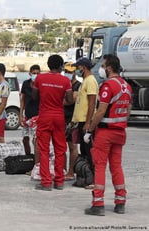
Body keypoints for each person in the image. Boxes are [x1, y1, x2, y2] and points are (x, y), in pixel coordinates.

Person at [84, 54, 132, 216]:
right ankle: (120, 202)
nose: (102, 69)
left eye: (103, 66)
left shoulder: (108, 86)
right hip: (120, 132)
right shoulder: (127, 86)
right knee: (116, 166)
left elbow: (101, 111)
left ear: (109, 68)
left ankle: (98, 204)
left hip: (106, 132)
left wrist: (90, 130)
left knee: (99, 166)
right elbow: (128, 112)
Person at [32, 55, 74, 191]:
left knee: (43, 149)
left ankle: (46, 182)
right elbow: (70, 100)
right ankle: (59, 181)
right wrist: (59, 101)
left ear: (48, 65)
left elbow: (35, 96)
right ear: (61, 66)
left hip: (44, 116)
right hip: (59, 116)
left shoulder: (40, 78)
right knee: (60, 149)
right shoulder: (65, 81)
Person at [72, 57, 98, 187]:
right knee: (83, 151)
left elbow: (92, 103)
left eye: (79, 67)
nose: (77, 69)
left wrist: (88, 123)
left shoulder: (91, 81)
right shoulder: (85, 81)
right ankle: (85, 177)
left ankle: (93, 179)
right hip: (80, 121)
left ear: (84, 67)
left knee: (89, 151)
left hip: (85, 121)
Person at [20, 65, 40, 176]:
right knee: (25, 139)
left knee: (36, 142)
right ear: (30, 73)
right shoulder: (26, 84)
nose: (35, 75)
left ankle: (36, 166)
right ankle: (29, 159)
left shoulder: (40, 84)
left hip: (37, 116)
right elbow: (22, 99)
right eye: (34, 73)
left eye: (38, 73)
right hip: (27, 115)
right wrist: (20, 115)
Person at [63, 62, 81, 180]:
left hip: (73, 120)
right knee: (61, 147)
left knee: (73, 147)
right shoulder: (64, 83)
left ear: (75, 73)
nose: (68, 74)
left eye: (70, 72)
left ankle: (71, 171)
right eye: (66, 71)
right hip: (62, 118)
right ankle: (63, 170)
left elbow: (70, 101)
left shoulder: (78, 85)